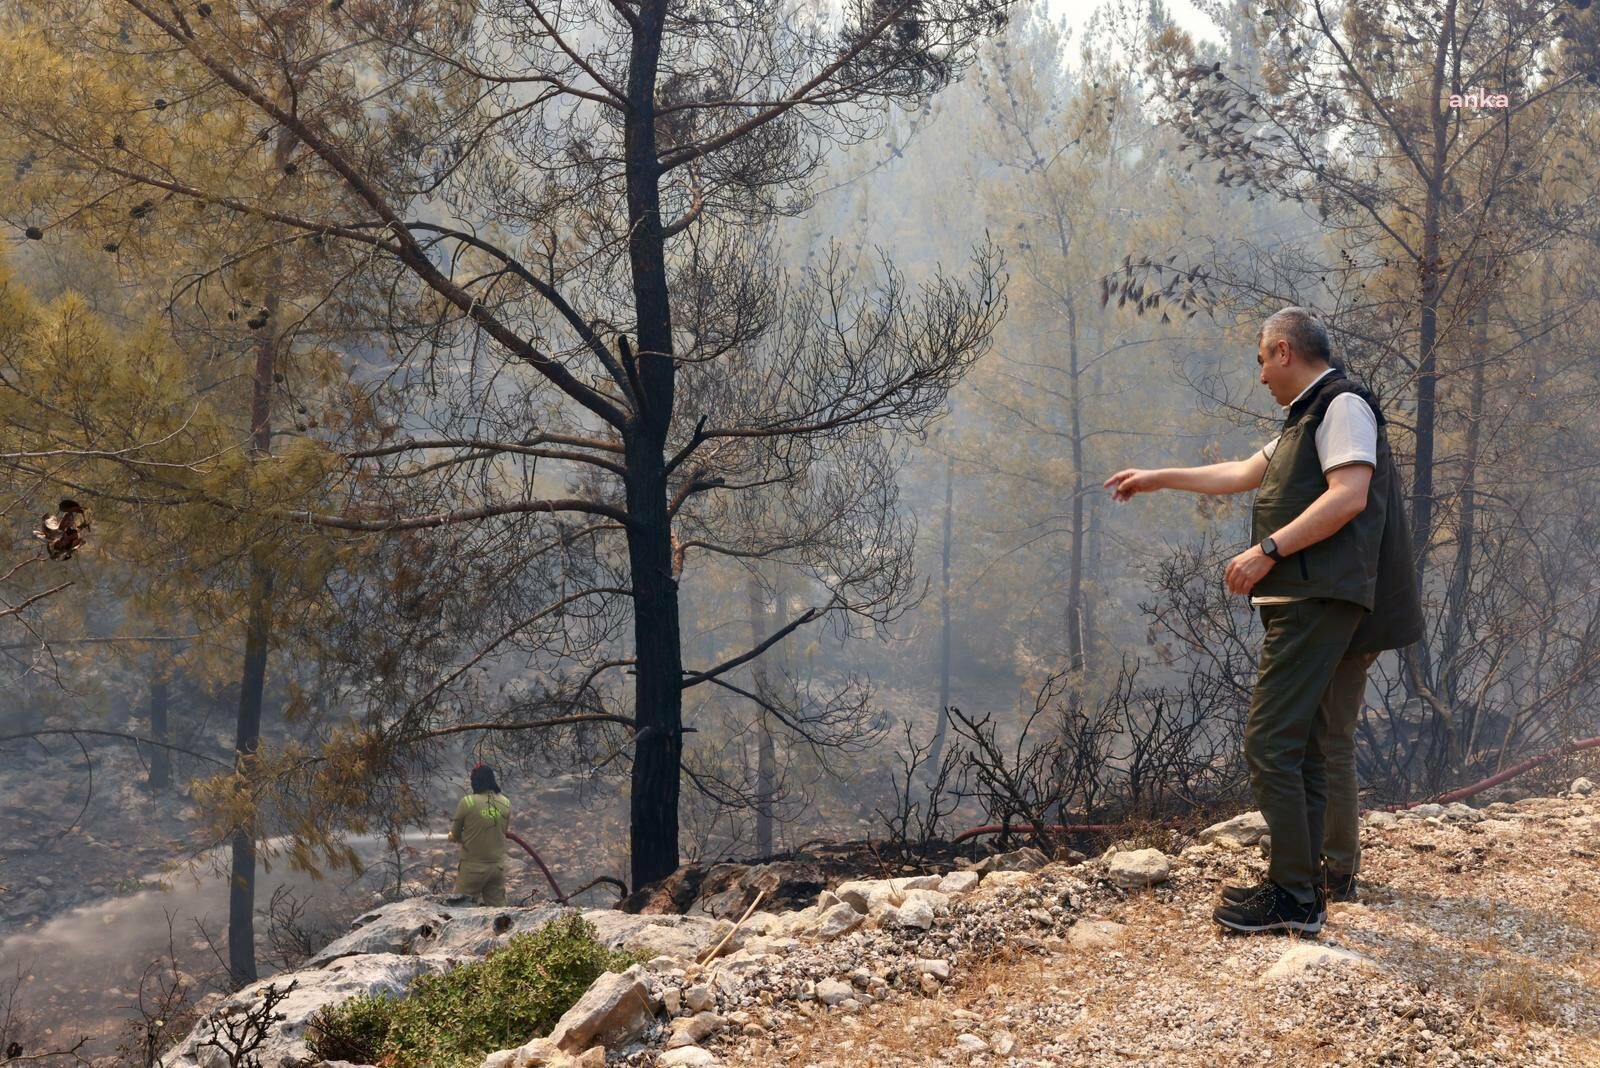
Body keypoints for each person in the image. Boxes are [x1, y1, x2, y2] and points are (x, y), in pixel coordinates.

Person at [1105, 307, 1422, 935]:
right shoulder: (1308, 418)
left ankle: (1296, 893)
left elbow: (1350, 495)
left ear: (1283, 350)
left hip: (1316, 599)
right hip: (1311, 598)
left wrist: (1267, 550)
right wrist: (1158, 479)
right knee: (1304, 743)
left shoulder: (1342, 406)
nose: (1260, 377)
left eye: (1261, 361)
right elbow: (1243, 473)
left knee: (1271, 742)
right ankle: (1307, 884)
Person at [449, 763, 512, 906]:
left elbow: (455, 834)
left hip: (472, 868)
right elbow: (504, 831)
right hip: (497, 868)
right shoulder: (505, 802)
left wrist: (453, 836)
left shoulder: (468, 802)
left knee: (460, 907)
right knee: (499, 910)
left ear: (475, 782)